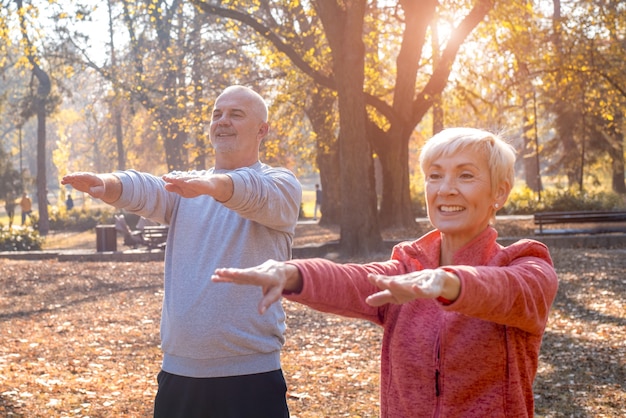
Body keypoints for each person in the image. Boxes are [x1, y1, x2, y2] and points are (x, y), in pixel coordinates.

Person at [213, 127, 559, 417]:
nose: (446, 188)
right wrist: (292, 273)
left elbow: (509, 290)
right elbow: (355, 279)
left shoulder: (524, 264)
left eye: (465, 175)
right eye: (435, 175)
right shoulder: (408, 265)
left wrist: (447, 281)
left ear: (499, 192)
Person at [62, 85, 302, 418]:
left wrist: (215, 184)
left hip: (251, 377)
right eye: (217, 113)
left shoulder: (280, 184)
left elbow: (252, 193)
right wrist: (111, 184)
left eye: (236, 114)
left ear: (262, 130)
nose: (222, 121)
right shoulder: (189, 188)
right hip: (179, 376)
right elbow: (150, 188)